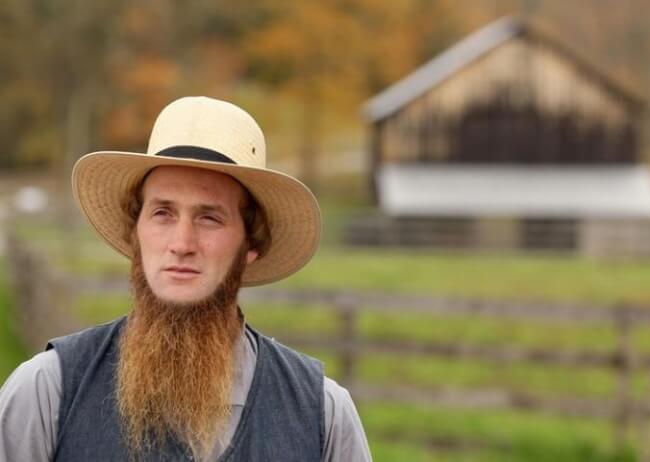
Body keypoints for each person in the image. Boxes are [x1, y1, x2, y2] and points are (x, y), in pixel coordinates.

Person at [0, 96, 372, 461]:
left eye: (209, 217)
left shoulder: (321, 416)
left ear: (250, 244)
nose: (182, 243)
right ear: (136, 233)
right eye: (162, 213)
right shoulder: (48, 393)